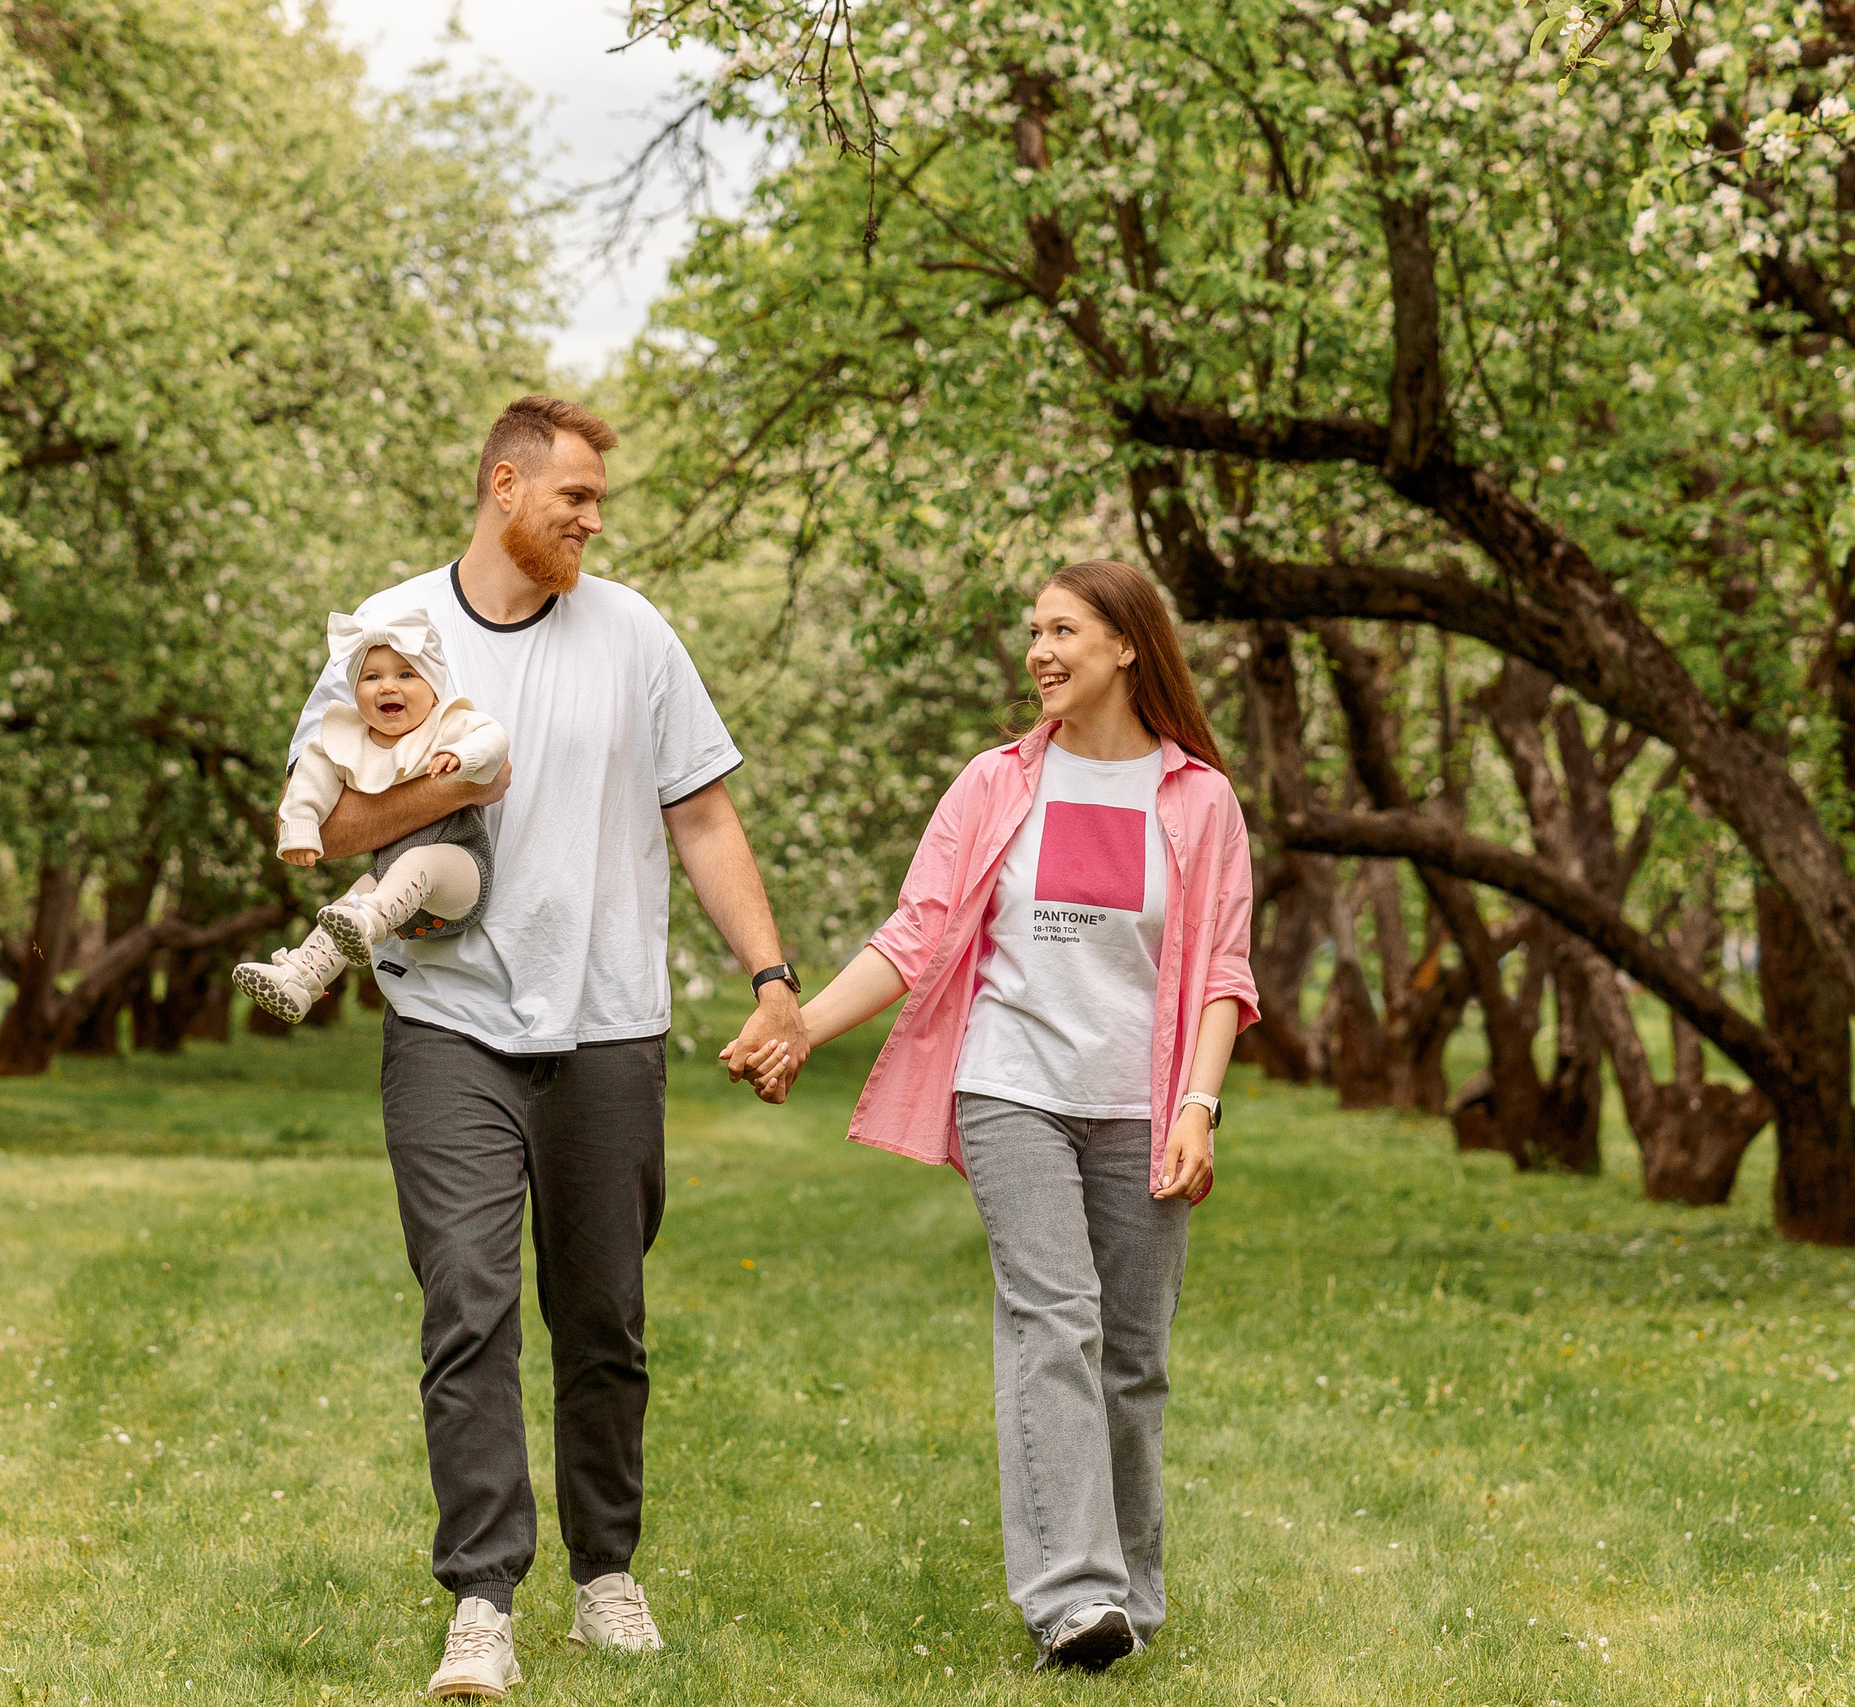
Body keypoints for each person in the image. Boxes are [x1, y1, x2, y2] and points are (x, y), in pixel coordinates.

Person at [285, 394, 808, 1700]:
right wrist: (443, 788)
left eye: (598, 503)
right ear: (504, 485)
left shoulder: (633, 634)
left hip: (611, 1020)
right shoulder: (391, 631)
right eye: (575, 496)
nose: (592, 520)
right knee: (467, 1300)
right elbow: (324, 824)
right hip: (447, 1020)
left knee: (604, 1315)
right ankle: (481, 1600)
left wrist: (772, 976)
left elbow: (704, 818)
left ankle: (606, 1573)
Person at [734, 559, 1257, 1673]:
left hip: (1144, 1100)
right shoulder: (996, 783)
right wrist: (800, 1028)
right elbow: (913, 935)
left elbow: (1222, 969)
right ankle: (1073, 1598)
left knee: (1133, 1354)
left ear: (1127, 643)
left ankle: (1129, 1597)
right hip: (1010, 1083)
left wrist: (1199, 1106)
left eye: (1063, 630)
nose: (1039, 652)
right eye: (1034, 631)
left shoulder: (1199, 798)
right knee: (1054, 1317)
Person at [233, 611, 509, 1024]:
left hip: (460, 872)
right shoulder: (345, 740)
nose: (388, 686)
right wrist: (300, 828)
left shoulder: (446, 723)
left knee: (413, 866)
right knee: (353, 899)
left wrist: (463, 755)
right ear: (355, 691)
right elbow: (309, 781)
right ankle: (300, 979)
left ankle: (368, 919)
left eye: (406, 675)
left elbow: (493, 737)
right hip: (392, 889)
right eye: (372, 677)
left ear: (433, 687)